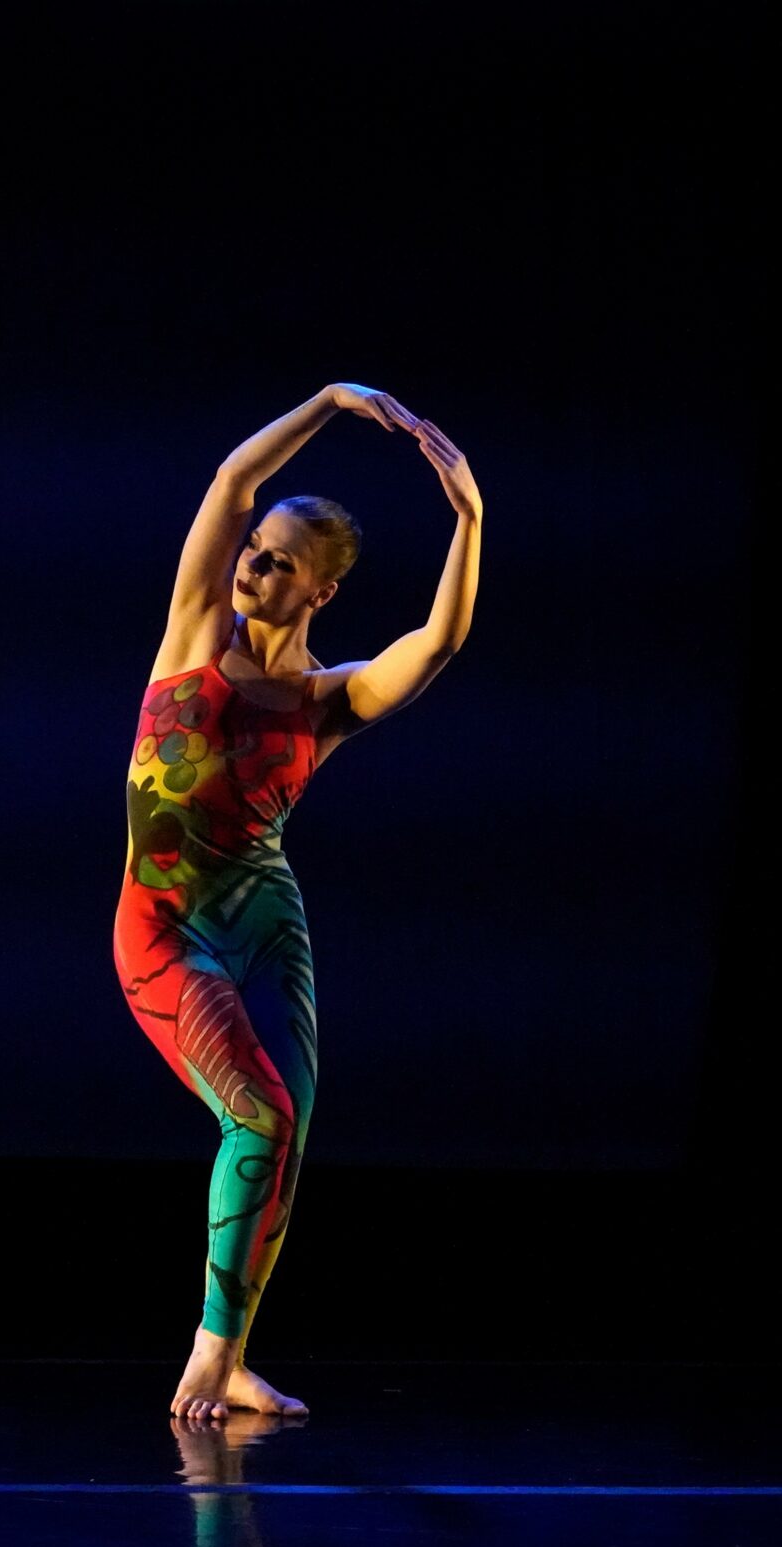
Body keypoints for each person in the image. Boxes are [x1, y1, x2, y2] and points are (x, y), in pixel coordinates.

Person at [118, 384, 483, 1420]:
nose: (254, 566)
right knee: (259, 1114)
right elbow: (234, 481)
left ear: (321, 590)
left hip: (267, 927)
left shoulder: (329, 699)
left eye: (281, 562)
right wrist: (328, 401)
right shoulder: (195, 632)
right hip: (163, 923)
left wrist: (469, 518)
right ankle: (206, 1358)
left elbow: (437, 643)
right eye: (256, 551)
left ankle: (231, 1357)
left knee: (286, 1137)